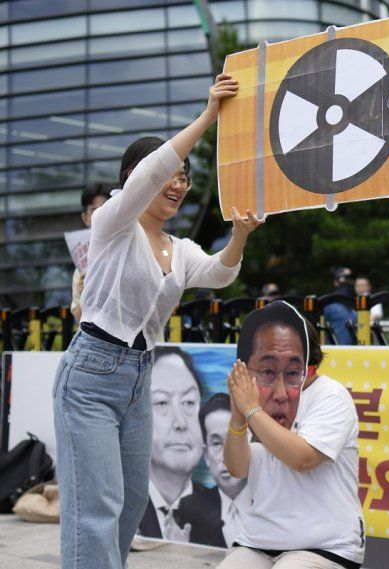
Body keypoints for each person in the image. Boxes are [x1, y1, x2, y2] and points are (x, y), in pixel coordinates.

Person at [52, 73, 261, 569]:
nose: (178, 184)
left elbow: (220, 274)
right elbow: (152, 170)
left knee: (131, 505)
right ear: (135, 179)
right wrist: (209, 115)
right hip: (89, 377)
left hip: (140, 377)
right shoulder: (112, 224)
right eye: (172, 174)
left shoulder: (177, 248)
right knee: (96, 510)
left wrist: (240, 234)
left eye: (185, 178)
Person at [221, 301, 364, 569]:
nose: (280, 382)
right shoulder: (257, 394)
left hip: (326, 545)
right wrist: (238, 418)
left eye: (293, 368)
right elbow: (237, 468)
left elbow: (303, 459)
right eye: (267, 368)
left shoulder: (330, 395)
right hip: (259, 540)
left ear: (310, 363)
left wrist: (251, 410)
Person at [138, 347, 219, 543]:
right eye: (162, 403)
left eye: (189, 403)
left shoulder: (223, 510)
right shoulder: (120, 505)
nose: (181, 422)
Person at [176, 392, 251, 547]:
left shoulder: (271, 502)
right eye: (216, 443)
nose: (226, 454)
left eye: (233, 440)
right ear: (206, 455)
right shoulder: (190, 510)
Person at [71, 183, 113, 322]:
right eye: (94, 211)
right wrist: (85, 294)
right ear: (85, 218)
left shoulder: (138, 249)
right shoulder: (81, 269)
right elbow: (78, 319)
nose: (101, 215)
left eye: (106, 208)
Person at [322, 266, 357, 345]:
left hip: (352, 353)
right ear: (336, 282)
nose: (348, 281)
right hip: (332, 352)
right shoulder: (328, 304)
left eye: (350, 278)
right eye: (345, 278)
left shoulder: (357, 304)